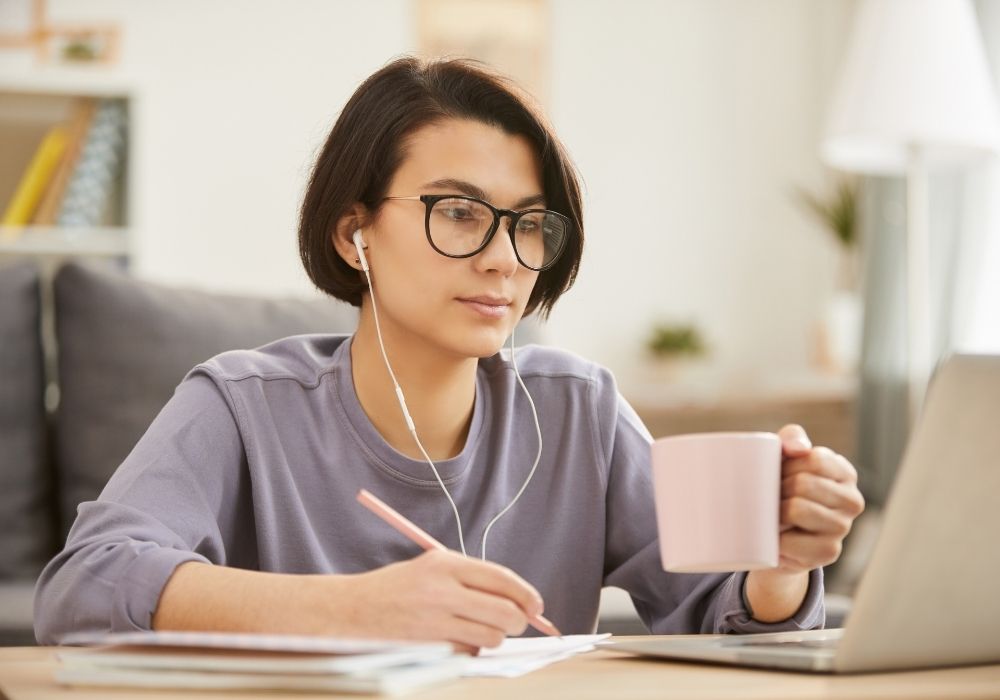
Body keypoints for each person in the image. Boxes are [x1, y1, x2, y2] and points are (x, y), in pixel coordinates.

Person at [34, 57, 865, 651]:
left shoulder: (580, 409)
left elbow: (724, 616)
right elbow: (86, 585)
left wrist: (781, 563)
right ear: (355, 232)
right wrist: (349, 611)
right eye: (461, 213)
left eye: (530, 224)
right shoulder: (242, 403)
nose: (505, 256)